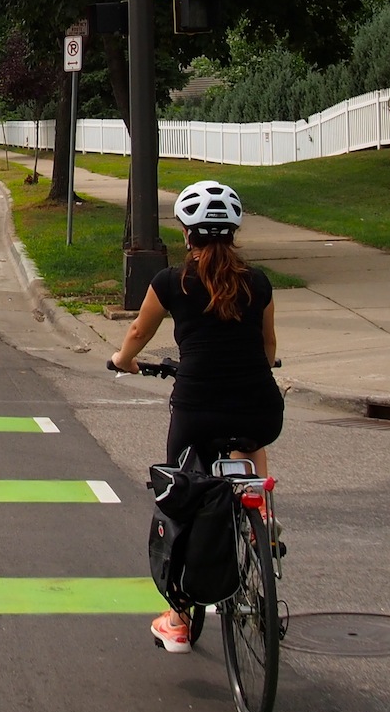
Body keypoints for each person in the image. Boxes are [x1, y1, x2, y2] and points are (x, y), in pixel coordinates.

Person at [109, 180, 282, 654]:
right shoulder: (259, 283)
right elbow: (268, 348)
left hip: (197, 409)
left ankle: (179, 619)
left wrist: (123, 361)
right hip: (260, 407)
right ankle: (260, 515)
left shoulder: (171, 282)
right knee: (249, 436)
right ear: (233, 232)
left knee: (182, 496)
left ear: (187, 233)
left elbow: (140, 331)